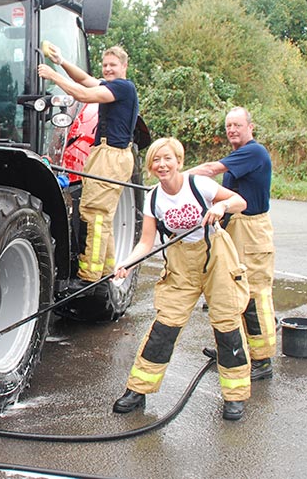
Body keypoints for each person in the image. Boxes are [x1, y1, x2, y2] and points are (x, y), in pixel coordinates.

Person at [111, 137, 251, 420]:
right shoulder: (153, 198)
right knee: (164, 327)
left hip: (216, 258)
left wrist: (221, 208)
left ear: (179, 161)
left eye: (168, 159)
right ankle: (138, 390)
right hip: (180, 264)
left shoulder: (198, 185)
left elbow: (240, 201)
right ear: (151, 166)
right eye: (156, 160)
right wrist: (126, 263)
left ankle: (234, 396)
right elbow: (146, 242)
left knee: (227, 325)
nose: (162, 165)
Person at [38, 45, 139, 290]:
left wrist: (52, 75)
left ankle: (90, 275)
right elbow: (84, 79)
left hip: (111, 156)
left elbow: (83, 94)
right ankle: (106, 269)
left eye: (113, 65)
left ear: (124, 67)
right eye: (105, 65)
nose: (108, 69)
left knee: (95, 213)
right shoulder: (113, 85)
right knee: (101, 213)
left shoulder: (124, 87)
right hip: (104, 153)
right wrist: (61, 61)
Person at [188, 107, 276, 380]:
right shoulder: (239, 156)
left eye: (237, 125)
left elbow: (212, 170)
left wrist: (176, 179)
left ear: (251, 127)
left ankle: (262, 360)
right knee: (231, 292)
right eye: (228, 126)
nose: (232, 130)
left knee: (254, 294)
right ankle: (234, 350)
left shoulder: (254, 152)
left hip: (252, 231)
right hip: (234, 229)